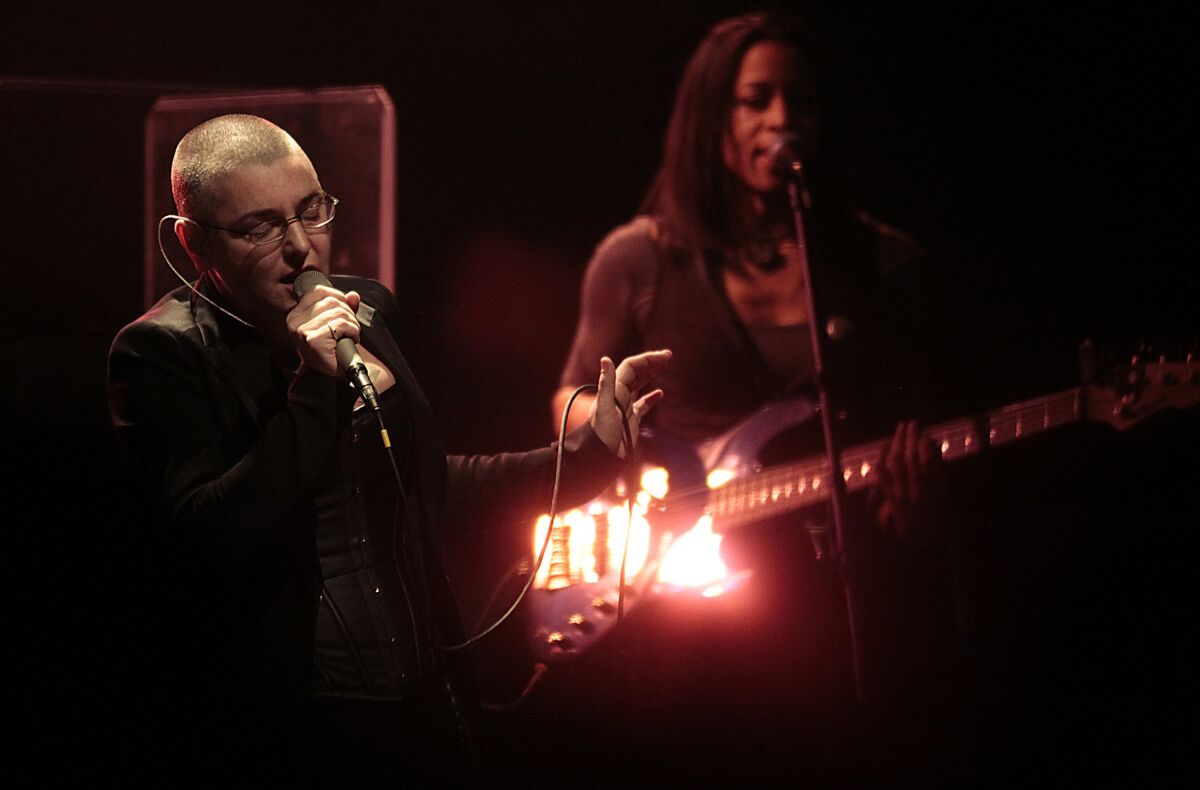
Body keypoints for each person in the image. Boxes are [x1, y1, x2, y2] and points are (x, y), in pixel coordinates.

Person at [107, 114, 670, 784]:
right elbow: (211, 539)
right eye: (259, 227)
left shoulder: (368, 310)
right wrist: (314, 392)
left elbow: (425, 482)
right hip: (287, 732)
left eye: (311, 211)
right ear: (194, 244)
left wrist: (585, 457)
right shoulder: (160, 354)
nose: (301, 248)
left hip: (424, 704)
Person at [551, 12, 952, 783]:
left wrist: (913, 501)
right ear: (714, 117)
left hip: (834, 614)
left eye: (800, 101)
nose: (782, 121)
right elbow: (570, 395)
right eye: (756, 99)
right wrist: (616, 458)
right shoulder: (637, 260)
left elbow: (906, 423)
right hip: (680, 621)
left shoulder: (884, 264)